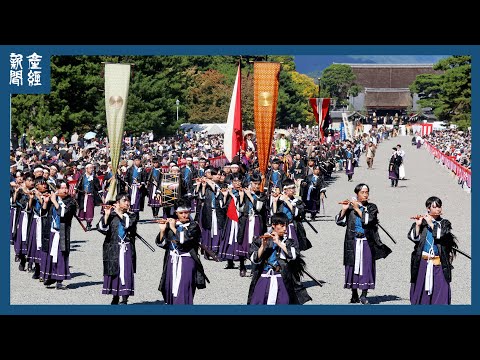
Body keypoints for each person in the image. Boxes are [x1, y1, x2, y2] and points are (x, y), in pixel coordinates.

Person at [335, 183, 392, 304]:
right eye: (362, 192)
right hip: (352, 241)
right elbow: (340, 222)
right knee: (351, 266)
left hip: (367, 241)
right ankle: (354, 293)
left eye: (367, 192)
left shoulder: (372, 207)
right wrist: (344, 210)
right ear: (357, 194)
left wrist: (357, 208)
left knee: (366, 267)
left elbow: (369, 220)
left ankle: (364, 294)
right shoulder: (350, 207)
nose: (365, 195)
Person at [247, 212, 311, 305]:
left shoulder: (289, 242)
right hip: (264, 276)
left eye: (286, 226)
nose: (285, 229)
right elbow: (254, 259)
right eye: (282, 226)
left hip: (282, 277)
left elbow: (293, 255)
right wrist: (263, 246)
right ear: (273, 225)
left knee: (284, 302)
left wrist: (279, 243)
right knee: (259, 302)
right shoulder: (260, 239)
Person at [155, 198, 208, 304]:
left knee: (183, 288)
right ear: (176, 213)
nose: (184, 215)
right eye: (181, 213)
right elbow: (163, 244)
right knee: (170, 287)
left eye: (186, 212)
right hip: (171, 260)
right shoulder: (172, 224)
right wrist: (162, 230)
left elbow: (184, 239)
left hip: (187, 260)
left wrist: (174, 228)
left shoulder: (194, 226)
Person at [407, 196, 457, 304]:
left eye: (439, 206)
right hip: (423, 262)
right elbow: (414, 238)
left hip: (439, 262)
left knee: (441, 291)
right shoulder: (422, 222)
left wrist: (431, 223)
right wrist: (417, 225)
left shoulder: (445, 223)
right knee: (421, 292)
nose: (438, 209)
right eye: (435, 207)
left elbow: (441, 235)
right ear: (428, 208)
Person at [97, 193, 138, 305]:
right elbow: (101, 229)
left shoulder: (132, 215)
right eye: (124, 200)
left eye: (128, 200)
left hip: (126, 247)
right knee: (114, 271)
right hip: (112, 247)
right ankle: (115, 296)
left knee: (126, 271)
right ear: (117, 202)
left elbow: (128, 225)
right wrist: (106, 215)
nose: (127, 203)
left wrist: (119, 213)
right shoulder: (111, 215)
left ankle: (125, 298)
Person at [41, 179, 77, 289]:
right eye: (62, 188)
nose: (65, 190)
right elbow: (43, 213)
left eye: (66, 188)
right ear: (57, 189)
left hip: (62, 232)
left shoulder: (71, 202)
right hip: (51, 231)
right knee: (50, 255)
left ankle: (59, 280)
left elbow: (64, 214)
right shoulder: (53, 199)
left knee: (61, 255)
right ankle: (51, 276)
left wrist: (55, 202)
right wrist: (46, 202)